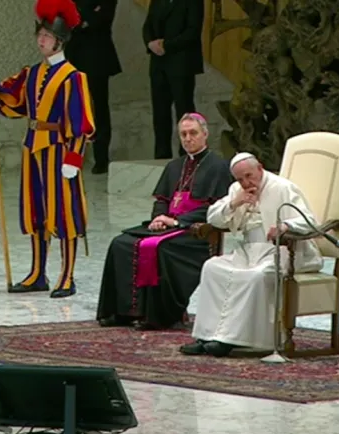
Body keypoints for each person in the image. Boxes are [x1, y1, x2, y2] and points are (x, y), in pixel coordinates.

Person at [0, 0, 94, 298]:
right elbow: (12, 100)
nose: (41, 40)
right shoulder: (32, 74)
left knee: (64, 214)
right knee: (36, 211)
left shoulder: (73, 78)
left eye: (47, 36)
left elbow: (80, 122)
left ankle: (67, 276)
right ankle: (38, 273)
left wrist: (74, 157)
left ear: (60, 40)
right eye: (39, 35)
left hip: (59, 150)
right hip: (33, 149)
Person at [96, 113, 233, 330]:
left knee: (159, 249)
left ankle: (160, 315)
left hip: (196, 233)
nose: (188, 138)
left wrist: (178, 222)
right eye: (183, 134)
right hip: (166, 227)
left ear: (205, 134)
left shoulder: (218, 167)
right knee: (120, 243)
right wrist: (159, 219)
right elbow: (162, 200)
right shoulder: (174, 166)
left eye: (193, 133)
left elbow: (217, 208)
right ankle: (121, 312)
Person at [179, 153, 324, 357]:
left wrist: (285, 226)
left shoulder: (282, 187)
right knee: (212, 267)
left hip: (282, 251)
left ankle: (230, 340)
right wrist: (234, 203)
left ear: (260, 168)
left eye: (249, 176)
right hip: (248, 250)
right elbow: (213, 218)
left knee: (255, 276)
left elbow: (309, 221)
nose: (246, 182)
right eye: (240, 179)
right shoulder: (237, 190)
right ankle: (206, 336)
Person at [64, 0, 122, 174]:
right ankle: (72, 155)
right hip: (74, 57)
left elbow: (100, 22)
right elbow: (67, 21)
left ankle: (101, 158)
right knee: (73, 107)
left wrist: (82, 13)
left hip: (98, 58)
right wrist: (86, 14)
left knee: (99, 108)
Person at [143, 0, 205, 160]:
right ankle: (162, 155)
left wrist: (167, 45)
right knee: (160, 113)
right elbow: (148, 25)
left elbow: (193, 31)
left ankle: (188, 155)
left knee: (184, 110)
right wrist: (150, 43)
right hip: (158, 64)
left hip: (181, 63)